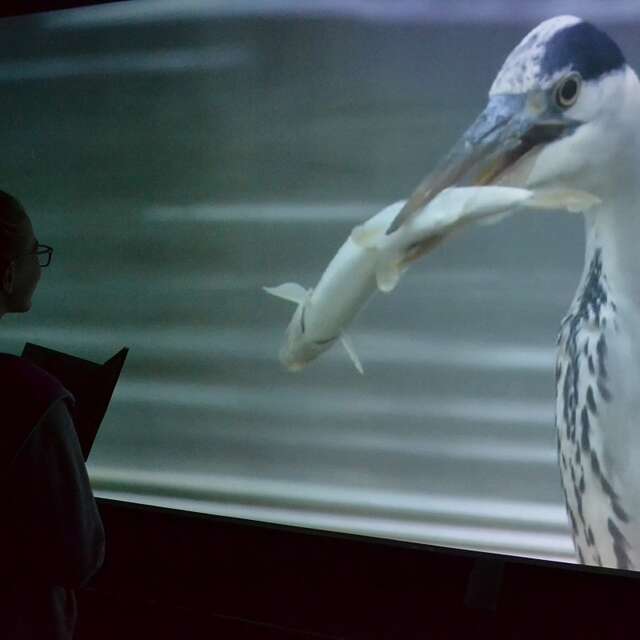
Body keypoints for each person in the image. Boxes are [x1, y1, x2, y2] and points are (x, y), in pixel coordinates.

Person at [0, 191, 105, 638]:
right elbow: (80, 554)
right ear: (7, 273)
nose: (40, 268)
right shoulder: (31, 396)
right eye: (34, 253)